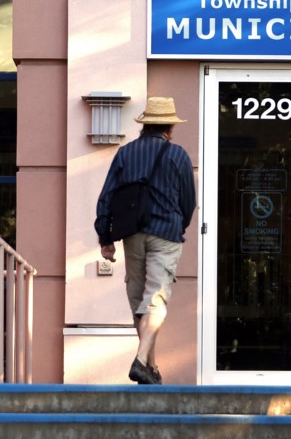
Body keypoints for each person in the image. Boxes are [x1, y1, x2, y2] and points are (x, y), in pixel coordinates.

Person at [94, 96, 196, 385]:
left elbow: (107, 197)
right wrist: (180, 225)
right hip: (166, 234)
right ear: (169, 127)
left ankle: (150, 368)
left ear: (145, 125)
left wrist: (105, 236)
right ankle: (140, 362)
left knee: (139, 299)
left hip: (132, 233)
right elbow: (189, 202)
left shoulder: (125, 154)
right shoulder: (178, 156)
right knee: (156, 299)